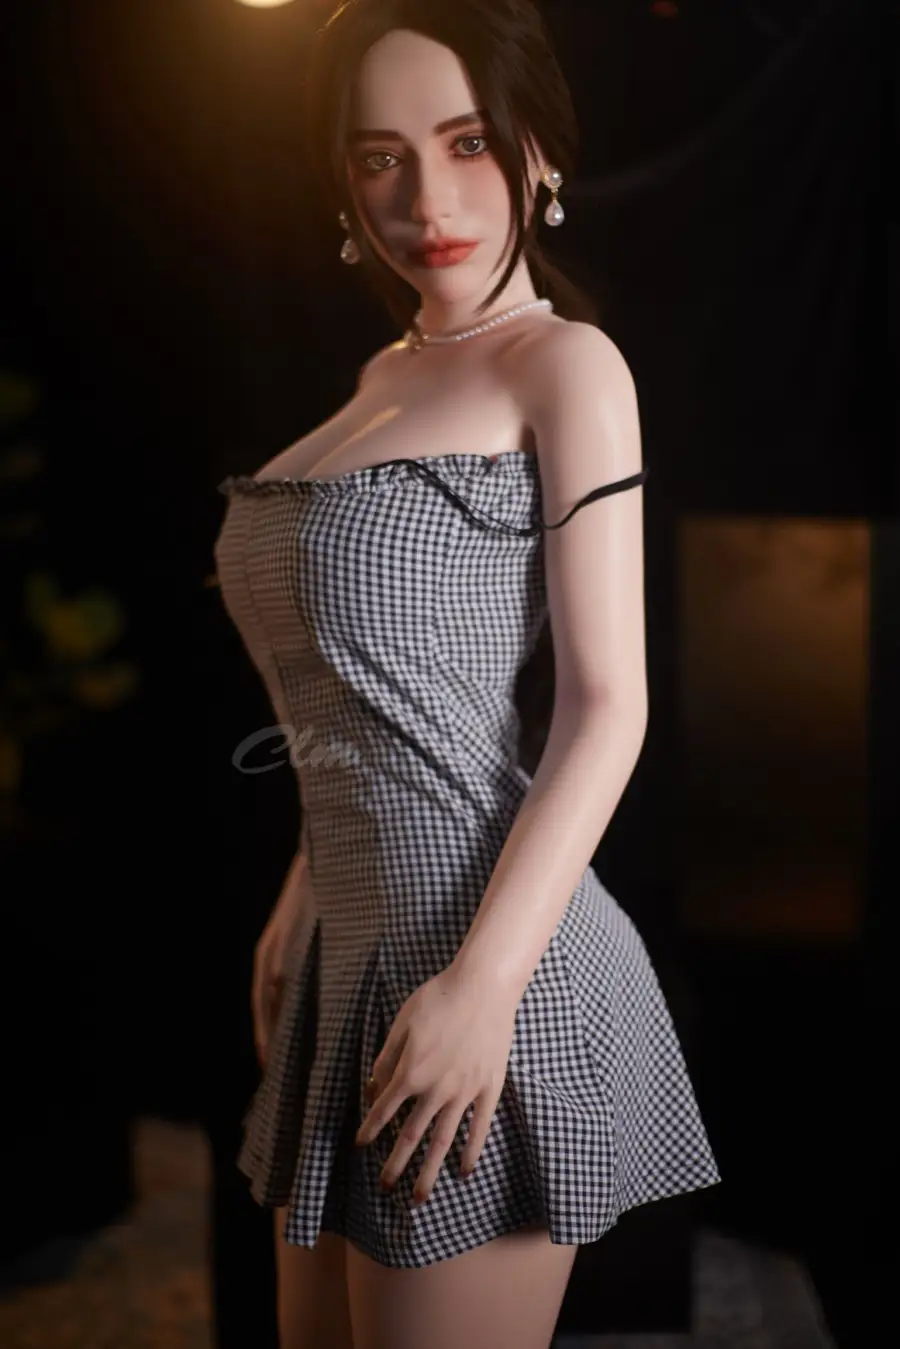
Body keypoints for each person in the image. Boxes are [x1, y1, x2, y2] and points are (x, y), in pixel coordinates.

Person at [213, 2, 721, 1346]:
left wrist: (484, 989)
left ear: (539, 152)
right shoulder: (380, 376)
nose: (425, 199)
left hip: (488, 957)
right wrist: (308, 879)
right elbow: (366, 690)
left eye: (468, 143)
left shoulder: (568, 367)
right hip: (354, 945)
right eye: (379, 155)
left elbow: (608, 709)